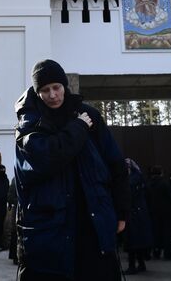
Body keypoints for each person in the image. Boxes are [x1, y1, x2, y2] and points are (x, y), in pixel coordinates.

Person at [14, 59, 130, 281]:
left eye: (56, 87)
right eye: (45, 90)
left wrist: (122, 210)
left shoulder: (90, 115)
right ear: (37, 92)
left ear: (64, 86)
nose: (52, 95)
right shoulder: (30, 123)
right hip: (49, 227)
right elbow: (45, 159)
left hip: (91, 222)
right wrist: (78, 128)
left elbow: (115, 164)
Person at [122, 158, 153, 275]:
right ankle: (141, 264)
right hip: (141, 213)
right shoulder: (140, 178)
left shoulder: (129, 181)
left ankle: (132, 266)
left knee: (131, 241)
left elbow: (127, 197)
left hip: (132, 214)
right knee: (138, 241)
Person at [146, 165, 171, 260]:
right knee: (166, 233)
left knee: (155, 232)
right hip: (165, 212)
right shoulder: (164, 184)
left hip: (153, 212)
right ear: (161, 173)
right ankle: (167, 253)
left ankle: (156, 251)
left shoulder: (148, 184)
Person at [7, 176, 19, 264]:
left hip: (16, 209)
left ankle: (14, 256)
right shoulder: (16, 179)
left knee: (15, 233)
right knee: (16, 233)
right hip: (21, 209)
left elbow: (10, 196)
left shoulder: (14, 179)